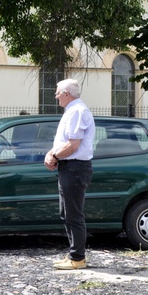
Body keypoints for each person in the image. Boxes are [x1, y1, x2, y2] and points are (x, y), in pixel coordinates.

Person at [44, 78, 95, 270]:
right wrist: (53, 154)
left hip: (75, 167)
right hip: (69, 167)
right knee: (66, 213)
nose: (56, 96)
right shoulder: (72, 111)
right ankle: (74, 254)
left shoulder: (77, 111)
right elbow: (67, 142)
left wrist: (54, 155)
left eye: (57, 93)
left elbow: (73, 145)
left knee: (74, 214)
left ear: (66, 94)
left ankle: (78, 258)